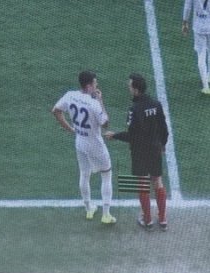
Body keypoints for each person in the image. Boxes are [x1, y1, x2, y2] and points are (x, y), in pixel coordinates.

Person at [105, 73, 170, 231]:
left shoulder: (134, 109)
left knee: (142, 183)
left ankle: (147, 220)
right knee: (158, 181)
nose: (128, 88)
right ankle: (162, 219)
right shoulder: (156, 104)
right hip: (154, 149)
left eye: (130, 86)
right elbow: (164, 129)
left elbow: (133, 136)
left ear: (136, 90)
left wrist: (115, 135)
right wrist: (163, 145)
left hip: (140, 151)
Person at [53, 70, 115, 224]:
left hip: (80, 142)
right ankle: (106, 214)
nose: (97, 85)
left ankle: (88, 209)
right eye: (95, 83)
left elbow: (56, 111)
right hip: (95, 144)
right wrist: (100, 100)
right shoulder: (94, 103)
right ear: (88, 86)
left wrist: (70, 129)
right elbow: (105, 123)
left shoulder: (70, 95)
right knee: (106, 175)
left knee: (84, 174)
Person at [182, 0, 210, 95]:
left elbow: (188, 7)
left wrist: (185, 22)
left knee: (201, 55)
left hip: (199, 27)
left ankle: (206, 86)